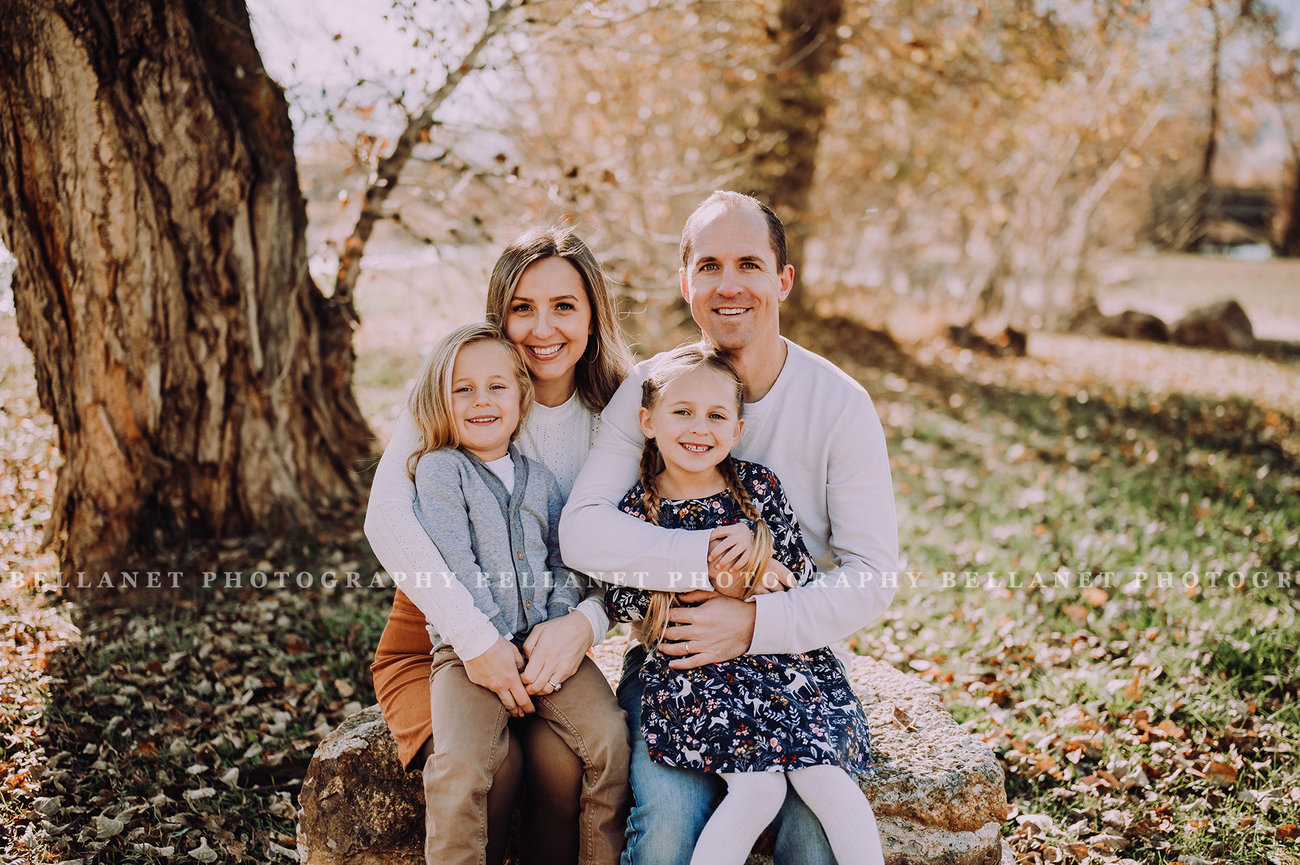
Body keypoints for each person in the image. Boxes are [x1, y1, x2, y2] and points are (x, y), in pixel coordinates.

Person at [560, 191, 899, 865]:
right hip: (678, 661)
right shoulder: (654, 390)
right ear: (686, 281)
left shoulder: (839, 404)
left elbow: (873, 576)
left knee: (815, 832)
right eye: (709, 265)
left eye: (749, 262)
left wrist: (751, 623)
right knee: (664, 825)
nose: (729, 283)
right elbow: (585, 531)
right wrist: (710, 564)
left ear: (783, 279)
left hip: (789, 659)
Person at [367, 227, 635, 865]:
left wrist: (586, 622)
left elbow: (632, 548)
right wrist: (475, 638)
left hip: (551, 636)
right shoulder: (458, 385)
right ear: (499, 316)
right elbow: (387, 519)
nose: (543, 328)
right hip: (442, 633)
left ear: (594, 314)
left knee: (564, 763)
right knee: (499, 767)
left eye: (564, 306)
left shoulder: (619, 416)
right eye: (522, 308)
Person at [605, 344, 884, 865]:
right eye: (681, 412)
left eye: (716, 416)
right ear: (648, 421)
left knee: (823, 776)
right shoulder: (636, 507)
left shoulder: (758, 490)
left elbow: (797, 571)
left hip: (779, 665)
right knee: (758, 791)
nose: (698, 428)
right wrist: (692, 568)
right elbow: (619, 596)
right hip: (695, 673)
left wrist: (758, 551)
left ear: (736, 430)